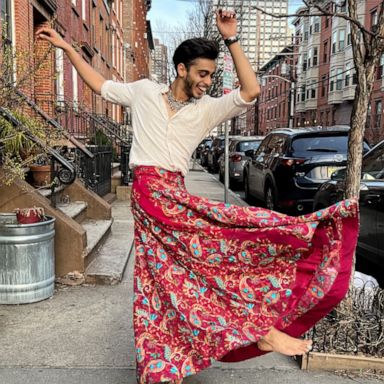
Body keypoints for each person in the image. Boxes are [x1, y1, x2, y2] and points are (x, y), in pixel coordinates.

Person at [36, 9, 359, 384]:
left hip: (174, 195)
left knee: (177, 276)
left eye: (211, 74)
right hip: (150, 196)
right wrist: (66, 47)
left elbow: (251, 91)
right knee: (168, 276)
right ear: (181, 69)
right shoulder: (143, 92)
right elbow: (99, 84)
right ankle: (194, 351)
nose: (207, 82)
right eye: (202, 73)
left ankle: (169, 362)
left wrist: (232, 38)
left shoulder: (206, 110)